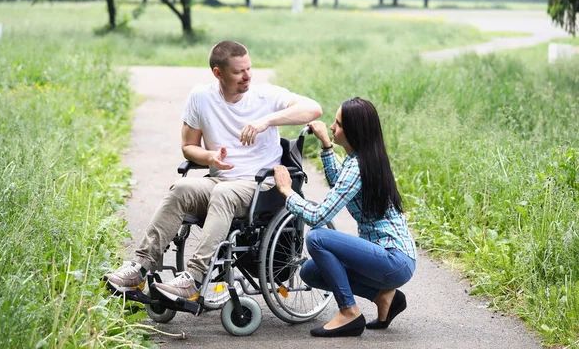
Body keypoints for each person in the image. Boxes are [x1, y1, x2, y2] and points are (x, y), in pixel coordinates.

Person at [104, 40, 322, 301]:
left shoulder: (267, 96)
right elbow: (188, 147)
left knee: (224, 193)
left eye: (249, 68)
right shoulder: (201, 97)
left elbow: (314, 109)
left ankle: (194, 278)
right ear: (218, 73)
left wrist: (266, 121)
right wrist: (209, 156)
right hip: (220, 181)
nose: (247, 76)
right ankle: (140, 267)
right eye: (238, 71)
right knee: (180, 188)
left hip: (262, 185)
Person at [273, 97, 417, 338]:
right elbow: (340, 186)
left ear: (354, 131)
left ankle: (348, 312)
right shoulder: (365, 158)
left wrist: (287, 192)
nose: (331, 126)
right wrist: (327, 145)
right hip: (396, 259)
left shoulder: (357, 167)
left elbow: (318, 216)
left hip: (393, 259)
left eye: (337, 124)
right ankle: (384, 297)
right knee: (310, 271)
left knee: (318, 237)